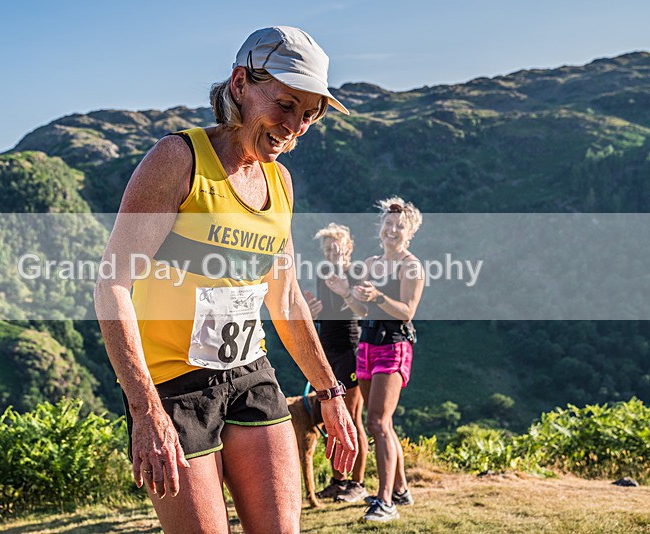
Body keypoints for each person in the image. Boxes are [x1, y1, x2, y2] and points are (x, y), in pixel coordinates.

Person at [93, 26, 358, 534]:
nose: (294, 126)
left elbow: (284, 299)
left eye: (309, 114)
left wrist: (331, 394)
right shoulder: (178, 160)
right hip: (173, 389)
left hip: (250, 376)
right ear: (240, 84)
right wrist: (145, 410)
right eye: (284, 104)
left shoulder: (279, 182)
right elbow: (113, 285)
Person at [338, 197, 425, 522]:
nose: (392, 229)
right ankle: (400, 491)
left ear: (410, 232)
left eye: (400, 226)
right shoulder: (372, 262)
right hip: (367, 344)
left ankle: (385, 502)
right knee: (381, 423)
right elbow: (362, 310)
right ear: (381, 228)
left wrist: (378, 296)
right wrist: (348, 294)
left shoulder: (411, 266)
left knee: (376, 422)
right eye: (388, 224)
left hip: (394, 345)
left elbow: (407, 312)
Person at [305, 223, 369, 503]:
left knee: (353, 418)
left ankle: (358, 483)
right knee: (332, 418)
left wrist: (346, 292)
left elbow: (363, 310)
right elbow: (327, 313)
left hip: (350, 348)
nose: (333, 253)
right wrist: (312, 313)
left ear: (349, 248)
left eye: (337, 247)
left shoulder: (357, 273)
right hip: (327, 347)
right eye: (328, 249)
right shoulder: (324, 274)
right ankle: (337, 481)